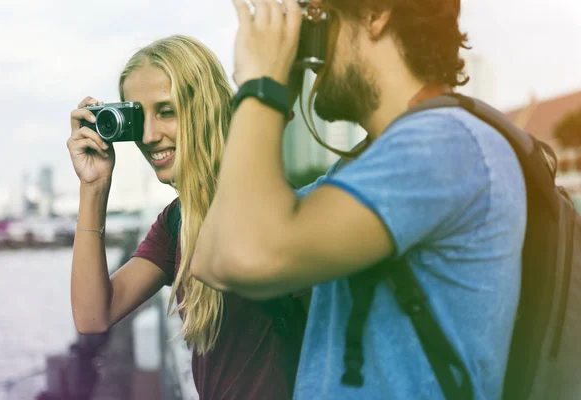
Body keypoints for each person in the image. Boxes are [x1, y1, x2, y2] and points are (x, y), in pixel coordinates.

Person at [190, 0, 526, 399]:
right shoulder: (363, 168)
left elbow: (245, 257)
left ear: (375, 13)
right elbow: (211, 259)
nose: (306, 45)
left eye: (314, 14)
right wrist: (272, 101)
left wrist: (262, 87)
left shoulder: (445, 144)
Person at [67, 34, 305, 400]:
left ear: (204, 106)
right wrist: (94, 186)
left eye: (167, 111)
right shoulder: (176, 220)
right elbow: (92, 315)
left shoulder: (261, 199)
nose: (149, 135)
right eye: (138, 117)